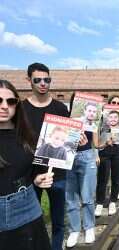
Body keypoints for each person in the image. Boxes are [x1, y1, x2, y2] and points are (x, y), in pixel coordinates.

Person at [0, 79, 53, 250]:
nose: (4, 106)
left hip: (28, 207)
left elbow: (28, 172)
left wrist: (37, 179)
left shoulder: (27, 136)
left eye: (11, 101)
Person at [22, 62, 69, 250]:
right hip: (30, 174)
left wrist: (78, 139)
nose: (43, 83)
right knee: (32, 220)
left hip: (57, 173)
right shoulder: (21, 109)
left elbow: (69, 138)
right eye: (38, 80)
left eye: (46, 79)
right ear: (29, 81)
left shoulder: (60, 109)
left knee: (58, 220)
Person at [65, 92, 100, 248]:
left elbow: (96, 143)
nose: (91, 113)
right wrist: (71, 137)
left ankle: (89, 227)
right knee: (70, 195)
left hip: (86, 156)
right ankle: (74, 229)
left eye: (94, 110)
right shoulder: (67, 118)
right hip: (68, 156)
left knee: (87, 195)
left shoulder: (92, 123)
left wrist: (98, 148)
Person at [95, 104, 119, 217]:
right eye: (111, 117)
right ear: (107, 118)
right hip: (105, 149)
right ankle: (100, 202)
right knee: (103, 177)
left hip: (118, 149)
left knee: (116, 177)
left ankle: (113, 201)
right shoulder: (103, 125)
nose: (113, 119)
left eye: (116, 117)